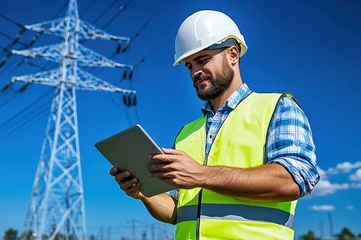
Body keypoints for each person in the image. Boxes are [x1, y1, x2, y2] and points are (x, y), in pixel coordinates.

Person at [110, 10, 319, 239]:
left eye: (202, 59)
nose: (195, 72)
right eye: (189, 65)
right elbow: (176, 212)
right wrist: (143, 194)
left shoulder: (277, 107)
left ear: (233, 55)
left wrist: (200, 174)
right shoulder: (186, 134)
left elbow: (295, 179)